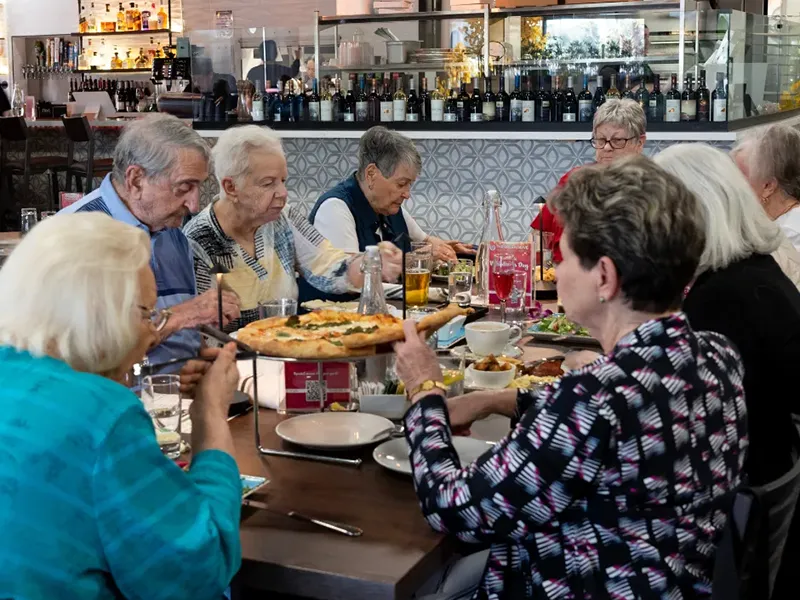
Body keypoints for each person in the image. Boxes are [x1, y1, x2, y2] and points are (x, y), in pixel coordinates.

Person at [393, 155, 747, 599]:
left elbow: (453, 508)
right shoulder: (718, 355)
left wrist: (425, 391)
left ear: (605, 276)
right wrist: (496, 401)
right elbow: (621, 414)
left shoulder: (591, 401)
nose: (556, 270)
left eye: (563, 257)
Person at [0, 212, 242, 599]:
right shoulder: (100, 414)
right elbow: (197, 573)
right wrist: (211, 416)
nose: (153, 332)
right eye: (148, 314)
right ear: (102, 317)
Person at [655, 143, 800, 486]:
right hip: (775, 463)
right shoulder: (753, 270)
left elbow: (686, 413)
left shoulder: (723, 296)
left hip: (746, 483)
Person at [60, 114, 241, 366]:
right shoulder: (73, 236)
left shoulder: (172, 232)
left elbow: (185, 337)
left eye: (198, 187)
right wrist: (179, 316)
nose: (194, 205)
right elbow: (83, 354)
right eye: (184, 187)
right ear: (136, 180)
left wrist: (198, 357)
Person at [183, 126, 402, 331]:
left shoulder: (283, 217)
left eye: (283, 181)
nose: (283, 193)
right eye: (268, 183)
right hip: (233, 355)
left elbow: (328, 265)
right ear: (231, 187)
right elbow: (197, 334)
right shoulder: (197, 241)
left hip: (286, 343)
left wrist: (369, 263)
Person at [531, 98, 647, 262]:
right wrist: (540, 267)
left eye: (617, 141)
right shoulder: (574, 179)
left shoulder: (648, 190)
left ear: (640, 143)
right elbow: (539, 234)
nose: (607, 147)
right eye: (601, 140)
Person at [732, 123, 800, 251]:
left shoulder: (790, 235)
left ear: (768, 186)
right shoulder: (776, 223)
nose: (731, 184)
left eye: (738, 176)